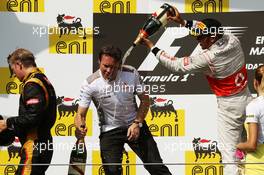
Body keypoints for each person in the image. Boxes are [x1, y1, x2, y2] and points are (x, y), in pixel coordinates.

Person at [140, 7, 252, 175]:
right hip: (248, 99)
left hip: (230, 108)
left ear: (212, 37)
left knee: (229, 155)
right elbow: (207, 32)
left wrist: (151, 46)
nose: (198, 40)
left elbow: (176, 65)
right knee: (251, 148)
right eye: (197, 36)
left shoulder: (209, 58)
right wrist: (183, 22)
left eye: (202, 38)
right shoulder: (232, 39)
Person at [74, 45, 172, 175]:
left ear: (119, 65)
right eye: (105, 66)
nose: (108, 70)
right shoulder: (90, 83)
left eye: (113, 67)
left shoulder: (130, 73)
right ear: (99, 62)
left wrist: (137, 123)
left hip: (135, 125)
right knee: (112, 172)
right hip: (110, 130)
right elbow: (80, 114)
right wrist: (79, 128)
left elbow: (145, 101)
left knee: (155, 167)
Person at [0, 48, 57, 175]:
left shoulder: (32, 84)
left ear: (19, 65)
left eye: (13, 70)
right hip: (42, 144)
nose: (13, 74)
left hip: (34, 147)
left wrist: (7, 123)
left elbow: (33, 117)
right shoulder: (43, 79)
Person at [236, 65, 264, 175]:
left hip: (257, 168)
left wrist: (234, 146)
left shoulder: (254, 105)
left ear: (255, 83)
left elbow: (252, 145)